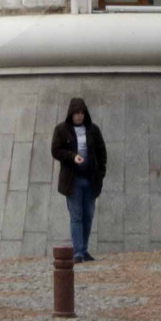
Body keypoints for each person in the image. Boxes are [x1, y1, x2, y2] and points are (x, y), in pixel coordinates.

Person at [51, 96, 107, 261]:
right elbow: (55, 150)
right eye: (76, 113)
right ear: (71, 114)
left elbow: (102, 152)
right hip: (73, 180)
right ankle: (78, 252)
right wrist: (72, 156)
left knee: (88, 215)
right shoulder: (61, 130)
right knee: (76, 216)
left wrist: (100, 173)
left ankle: (84, 248)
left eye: (82, 113)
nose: (79, 116)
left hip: (90, 179)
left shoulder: (93, 130)